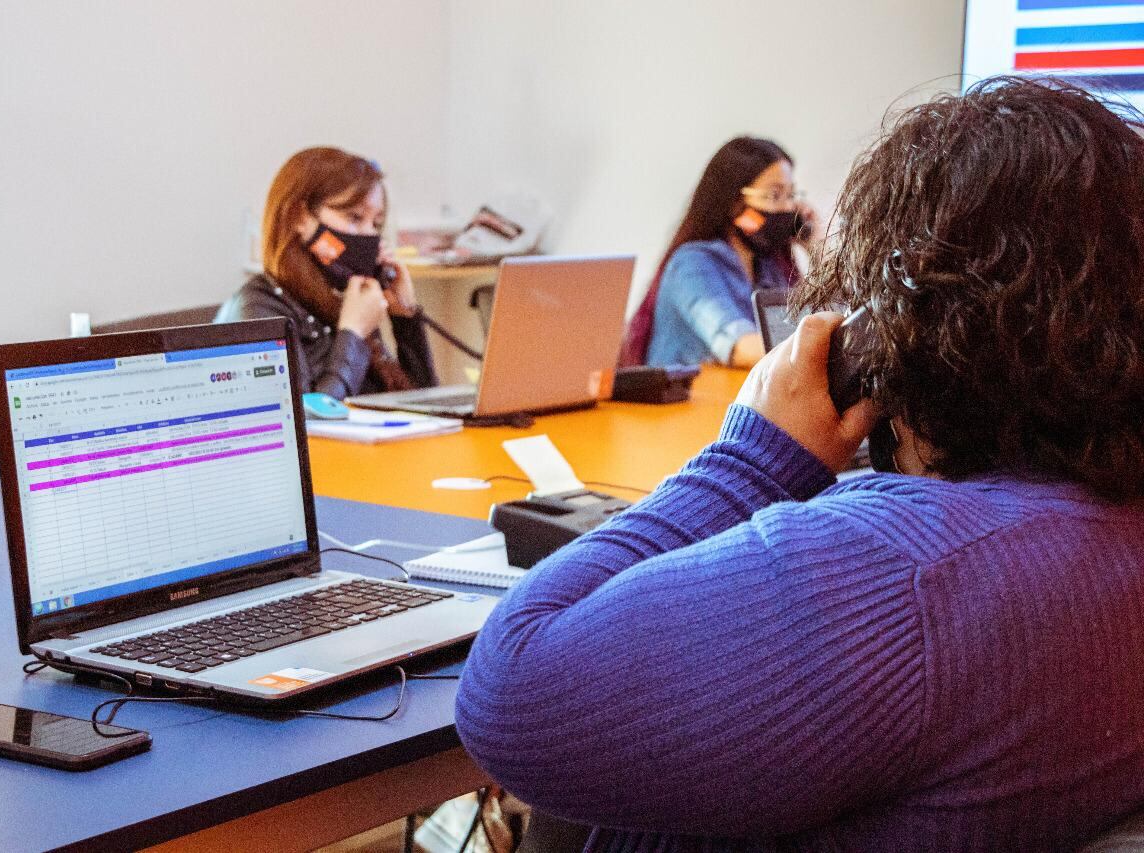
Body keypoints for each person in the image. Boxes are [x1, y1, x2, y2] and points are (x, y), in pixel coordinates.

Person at [456, 77, 1144, 852]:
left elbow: (508, 697)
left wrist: (749, 463)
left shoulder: (905, 572)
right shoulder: (1102, 531)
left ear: (896, 321)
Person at [216, 147, 436, 398]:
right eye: (354, 217)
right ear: (298, 217)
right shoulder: (258, 310)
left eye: (375, 223)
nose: (370, 236)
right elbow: (308, 426)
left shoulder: (340, 297)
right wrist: (352, 334)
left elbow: (430, 411)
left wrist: (405, 318)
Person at [621, 136, 817, 369]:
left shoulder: (769, 266)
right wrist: (818, 343)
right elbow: (742, 349)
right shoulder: (691, 264)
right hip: (682, 404)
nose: (788, 208)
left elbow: (816, 319)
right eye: (775, 195)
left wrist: (815, 246)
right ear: (734, 203)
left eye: (791, 195)